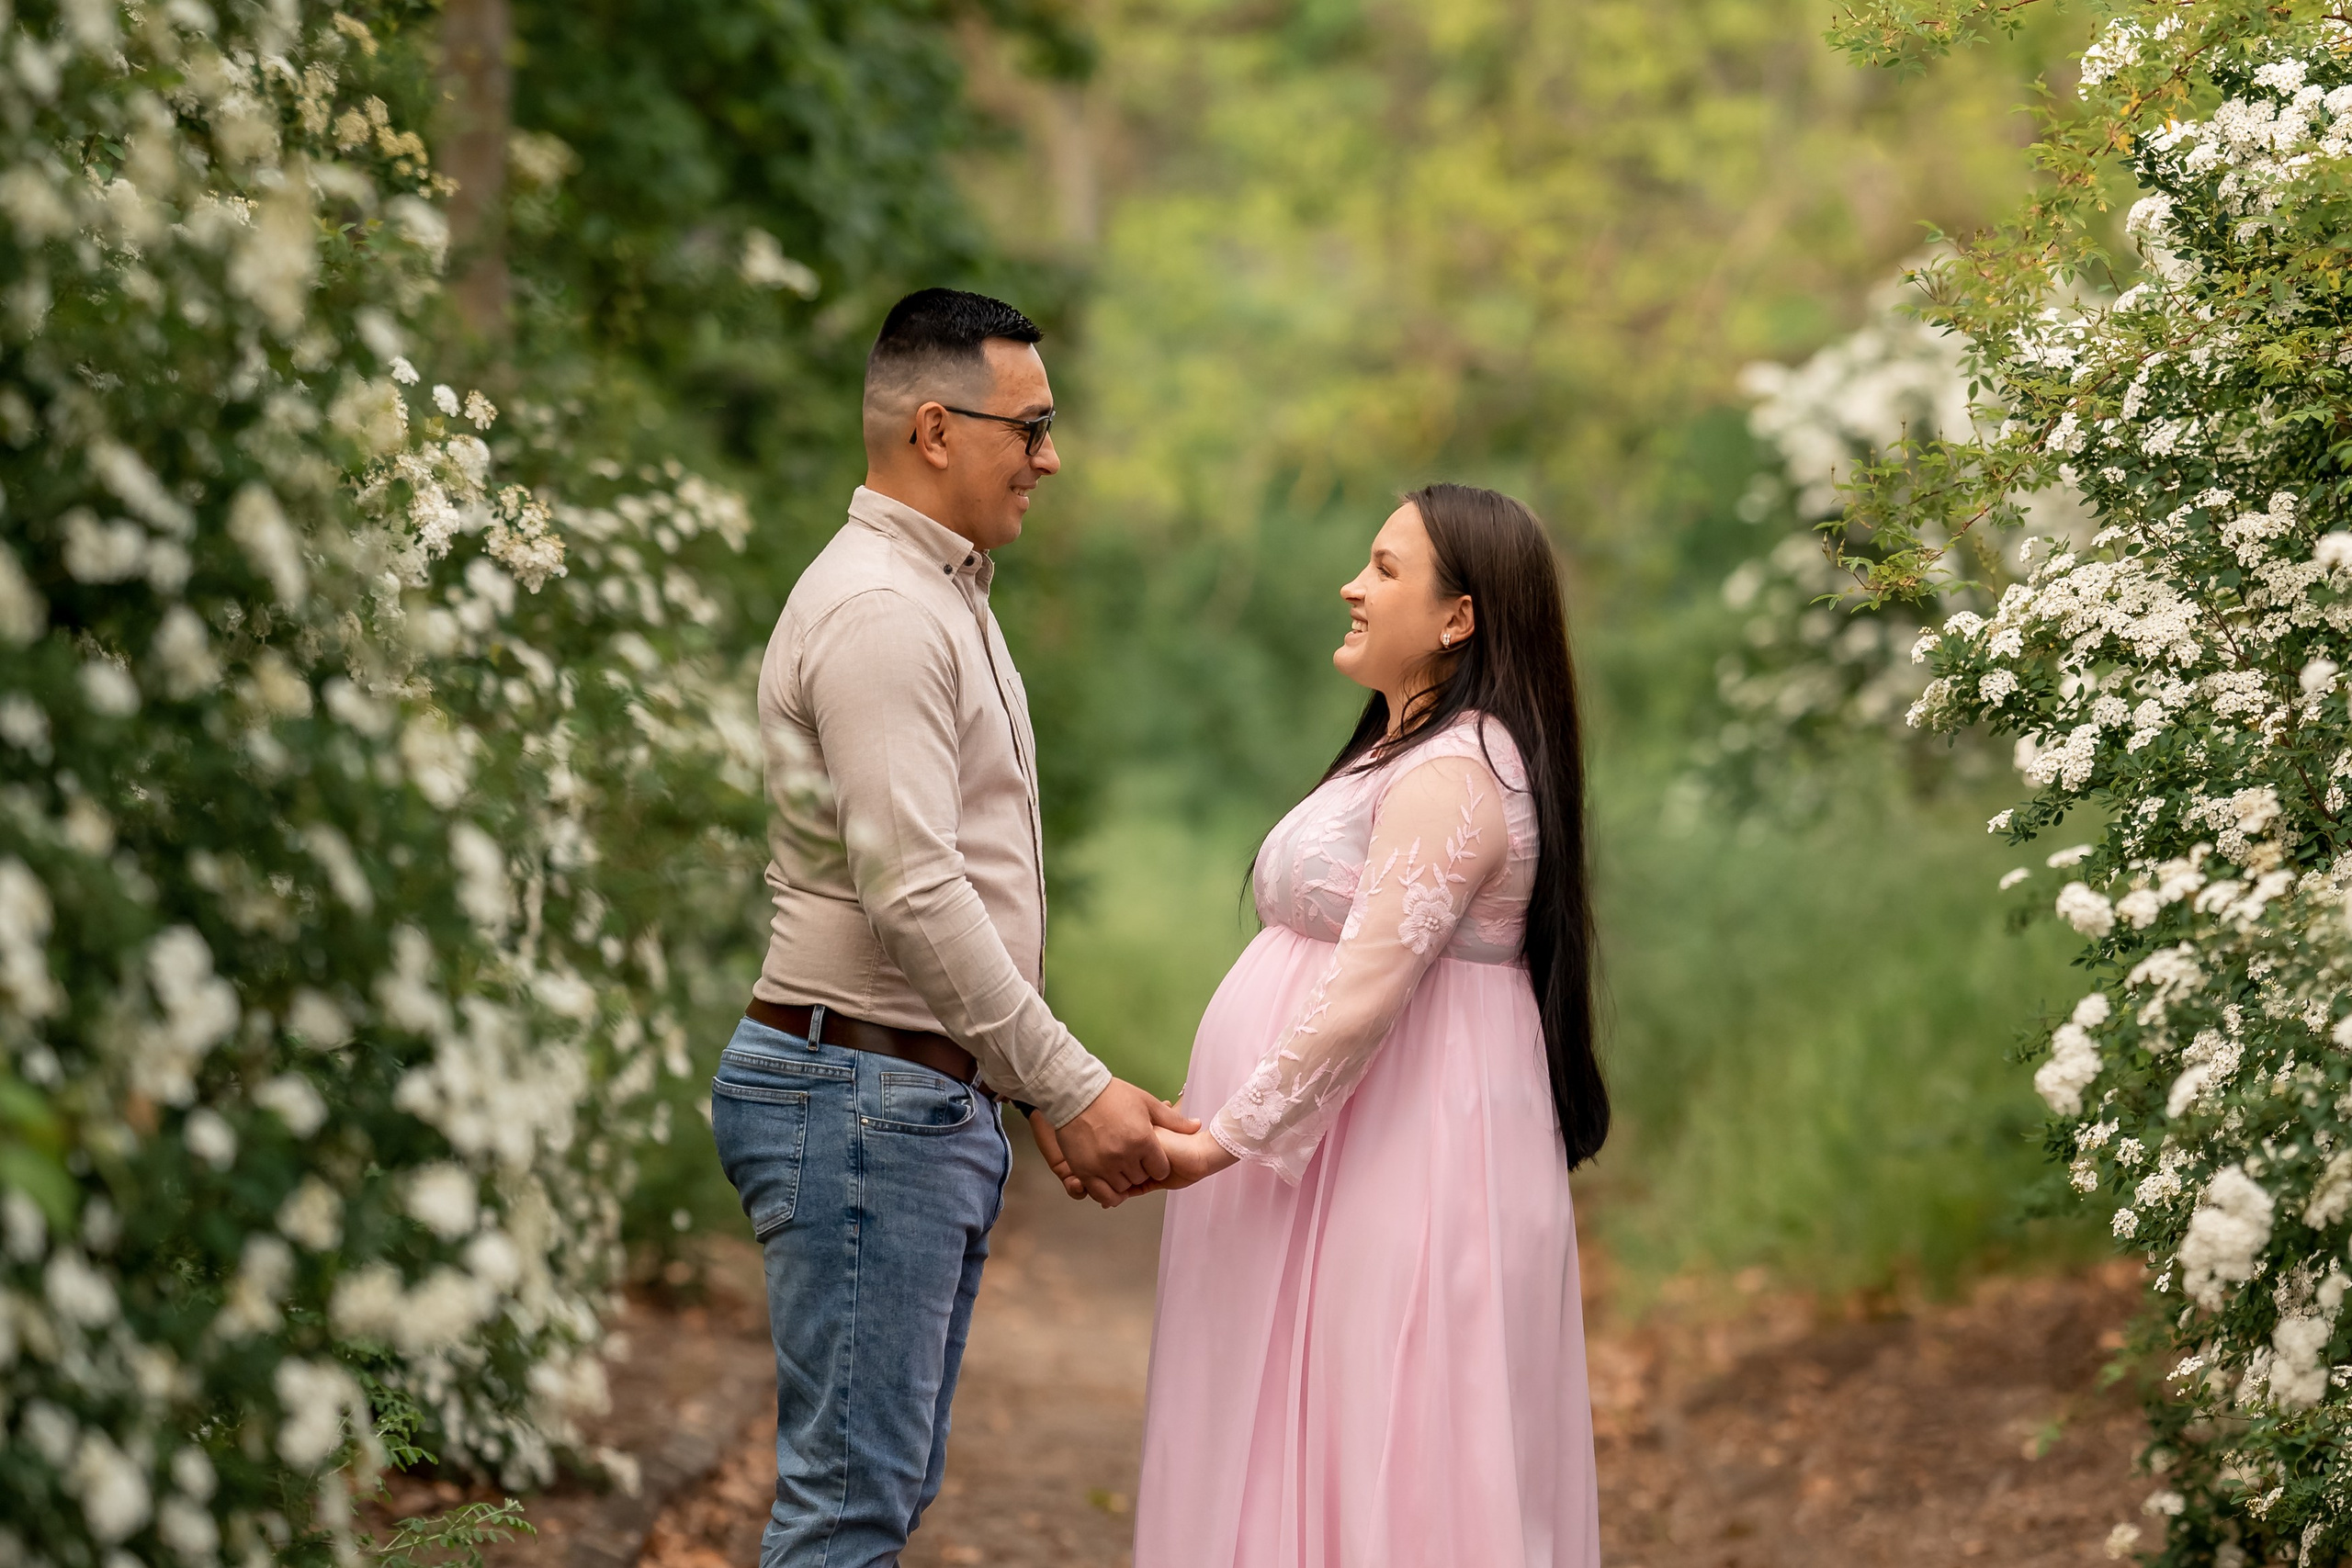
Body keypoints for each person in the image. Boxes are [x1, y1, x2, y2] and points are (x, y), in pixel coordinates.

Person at [709, 288, 1197, 1568]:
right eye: (1029, 427)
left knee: (876, 1495)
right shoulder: (883, 609)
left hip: (900, 1092)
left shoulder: (942, 594)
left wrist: (1023, 1085)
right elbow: (914, 890)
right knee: (844, 1513)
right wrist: (1068, 1083)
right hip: (858, 1094)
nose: (1051, 456)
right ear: (935, 429)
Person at [1131, 483, 1609, 1566]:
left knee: (1387, 1434)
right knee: (1292, 1430)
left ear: (1458, 618)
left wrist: (1218, 1139)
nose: (1352, 586)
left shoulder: (1457, 775)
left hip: (1402, 1156)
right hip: (1332, 1159)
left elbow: (1364, 993)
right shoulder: (1402, 752)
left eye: (1385, 569)